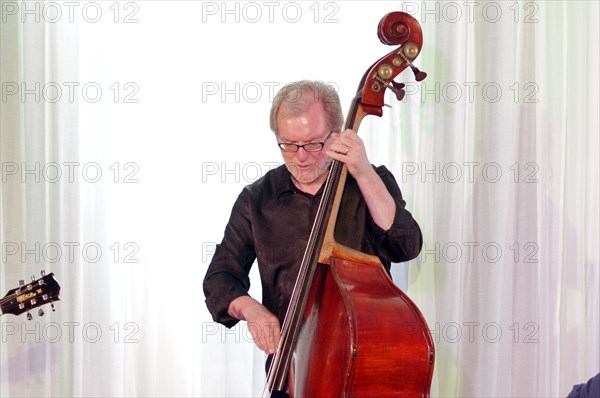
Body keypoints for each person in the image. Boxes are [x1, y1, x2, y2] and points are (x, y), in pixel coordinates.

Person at [203, 80, 423, 355]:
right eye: (288, 145)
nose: (301, 157)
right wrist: (250, 309)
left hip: (362, 358)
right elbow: (219, 278)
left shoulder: (370, 181)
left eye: (312, 144)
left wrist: (363, 172)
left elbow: (405, 246)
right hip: (292, 369)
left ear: (337, 135)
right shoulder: (257, 198)